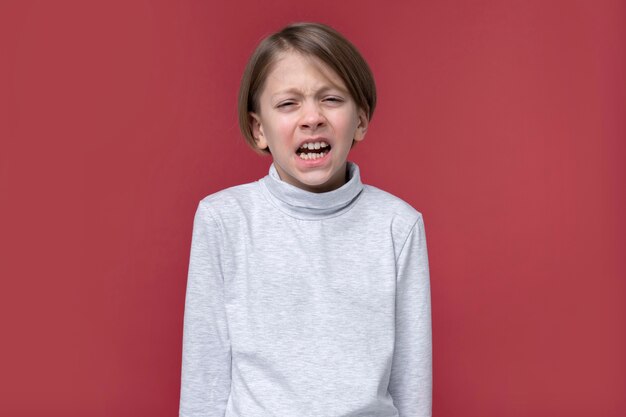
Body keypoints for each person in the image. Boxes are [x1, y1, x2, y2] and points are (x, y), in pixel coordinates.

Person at [179, 22, 432, 417]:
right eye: (288, 103)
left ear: (361, 120)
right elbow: (204, 379)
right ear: (258, 128)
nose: (312, 117)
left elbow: (411, 385)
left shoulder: (397, 226)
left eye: (331, 98)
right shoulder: (223, 220)